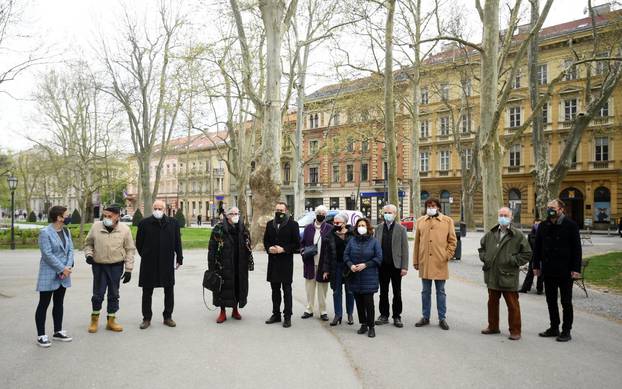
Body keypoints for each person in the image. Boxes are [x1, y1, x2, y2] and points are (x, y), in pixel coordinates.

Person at [479, 207, 532, 340]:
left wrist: (512, 260)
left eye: (505, 215)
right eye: (501, 215)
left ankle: (515, 330)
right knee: (492, 303)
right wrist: (485, 257)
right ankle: (493, 326)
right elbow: (482, 248)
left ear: (511, 217)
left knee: (512, 305)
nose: (503, 217)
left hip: (508, 275)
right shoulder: (491, 233)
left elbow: (527, 253)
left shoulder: (517, 235)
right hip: (492, 274)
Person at [533, 199, 582, 342]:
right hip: (548, 270)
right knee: (551, 300)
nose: (550, 210)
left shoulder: (571, 225)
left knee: (566, 302)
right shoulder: (543, 225)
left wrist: (576, 268)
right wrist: (536, 266)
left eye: (552, 207)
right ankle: (554, 327)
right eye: (548, 207)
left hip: (565, 271)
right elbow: (537, 247)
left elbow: (577, 249)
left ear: (561, 209)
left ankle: (566, 330)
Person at [84, 204, 136, 333]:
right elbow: (88, 243)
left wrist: (128, 269)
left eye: (110, 216)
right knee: (98, 294)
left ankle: (111, 320)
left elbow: (130, 249)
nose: (106, 218)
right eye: (105, 215)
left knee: (114, 294)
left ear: (117, 216)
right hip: (99, 266)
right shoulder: (96, 227)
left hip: (116, 266)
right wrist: (89, 255)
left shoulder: (124, 229)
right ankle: (94, 320)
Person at [136, 200, 183, 329]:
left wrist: (179, 257)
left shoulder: (173, 223)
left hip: (167, 261)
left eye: (160, 208)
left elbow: (177, 242)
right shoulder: (144, 223)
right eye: (155, 208)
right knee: (147, 291)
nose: (158, 210)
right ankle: (146, 318)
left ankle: (168, 316)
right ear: (152, 209)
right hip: (149, 262)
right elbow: (139, 243)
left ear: (164, 209)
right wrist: (146, 254)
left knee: (169, 290)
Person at [413, 198, 457, 330]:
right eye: (428, 206)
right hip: (424, 262)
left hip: (440, 262)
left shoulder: (447, 221)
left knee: (441, 291)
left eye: (433, 205)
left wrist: (447, 255)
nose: (431, 207)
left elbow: (453, 241)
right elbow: (417, 243)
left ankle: (442, 318)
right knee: (425, 291)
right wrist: (416, 260)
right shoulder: (421, 221)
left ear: (438, 207)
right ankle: (425, 316)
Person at [35, 206, 74, 347]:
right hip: (49, 273)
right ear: (59, 217)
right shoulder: (45, 233)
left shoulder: (66, 231)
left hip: (64, 274)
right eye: (67, 215)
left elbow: (70, 250)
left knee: (59, 303)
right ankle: (41, 335)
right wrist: (62, 268)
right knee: (43, 304)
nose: (69, 216)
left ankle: (58, 331)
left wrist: (67, 267)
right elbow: (47, 254)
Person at [208, 207, 252, 323]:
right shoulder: (219, 228)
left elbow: (248, 244)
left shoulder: (243, 228)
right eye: (232, 213)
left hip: (239, 263)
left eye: (237, 213)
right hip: (223, 264)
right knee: (222, 288)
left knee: (238, 286)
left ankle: (235, 309)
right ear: (227, 216)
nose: (235, 215)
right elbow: (212, 248)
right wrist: (211, 266)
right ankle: (222, 312)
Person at [263, 201, 300, 328]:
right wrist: (269, 248)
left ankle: (287, 316)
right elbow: (266, 240)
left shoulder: (293, 225)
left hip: (286, 263)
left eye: (281, 210)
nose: (279, 212)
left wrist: (283, 249)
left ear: (286, 211)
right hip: (273, 262)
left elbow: (296, 244)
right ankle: (276, 314)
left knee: (287, 290)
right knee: (275, 290)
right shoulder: (269, 224)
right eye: (277, 210)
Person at [344, 218, 382, 338]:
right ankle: (363, 324)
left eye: (363, 225)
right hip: (355, 276)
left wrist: (365, 264)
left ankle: (371, 326)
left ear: (368, 227)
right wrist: (350, 265)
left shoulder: (374, 242)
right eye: (359, 225)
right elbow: (346, 255)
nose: (361, 227)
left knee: (368, 303)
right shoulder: (352, 241)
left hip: (369, 277)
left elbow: (379, 258)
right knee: (359, 303)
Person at [374, 204, 409, 328]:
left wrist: (404, 267)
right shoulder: (378, 228)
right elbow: (374, 247)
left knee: (397, 292)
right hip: (382, 266)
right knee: (383, 292)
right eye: (386, 212)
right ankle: (383, 315)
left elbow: (405, 249)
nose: (388, 214)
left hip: (396, 266)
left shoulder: (401, 229)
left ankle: (397, 316)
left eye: (390, 212)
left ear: (395, 214)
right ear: (383, 213)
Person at [321, 213, 355, 326]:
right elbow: (326, 254)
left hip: (349, 267)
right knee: (336, 292)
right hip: (335, 267)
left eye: (338, 223)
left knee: (350, 291)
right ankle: (338, 315)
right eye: (334, 222)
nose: (335, 224)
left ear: (345, 223)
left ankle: (350, 314)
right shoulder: (330, 235)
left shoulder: (352, 234)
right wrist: (326, 270)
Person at [300, 205, 332, 321]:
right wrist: (302, 251)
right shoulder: (308, 228)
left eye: (323, 214)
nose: (321, 215)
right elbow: (302, 243)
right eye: (319, 213)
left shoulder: (329, 228)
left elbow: (331, 246)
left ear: (325, 216)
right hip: (310, 262)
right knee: (310, 287)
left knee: (322, 289)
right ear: (315, 214)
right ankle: (309, 309)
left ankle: (323, 311)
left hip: (323, 264)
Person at [519, 219, 544, 294]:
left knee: (541, 274)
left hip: (542, 257)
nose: (537, 226)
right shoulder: (530, 235)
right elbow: (528, 246)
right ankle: (525, 288)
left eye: (539, 224)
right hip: (533, 257)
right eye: (535, 224)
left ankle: (539, 289)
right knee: (530, 272)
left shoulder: (544, 234)